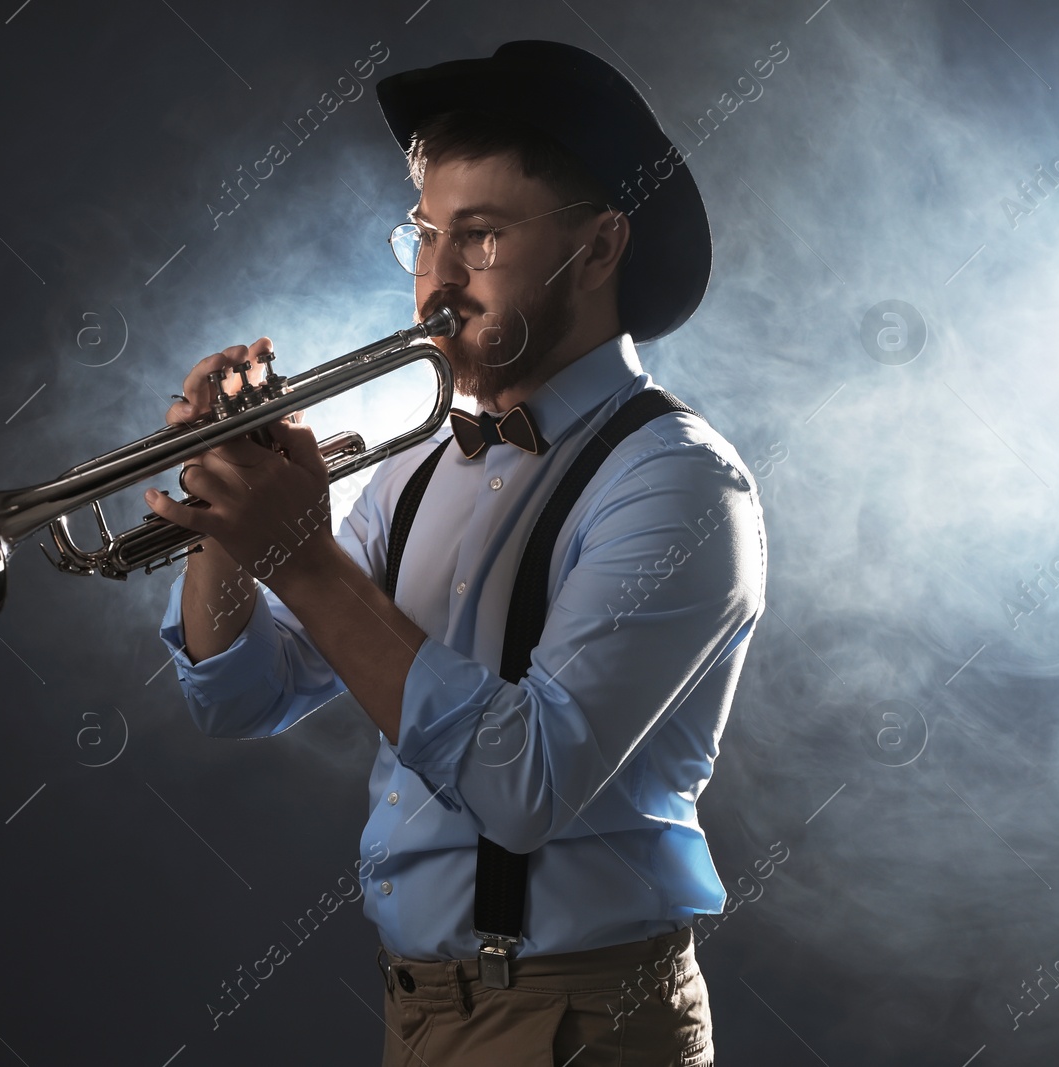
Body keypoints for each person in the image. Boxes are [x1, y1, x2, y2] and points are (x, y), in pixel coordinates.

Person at [143, 40, 766, 1066]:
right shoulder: (415, 469)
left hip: (581, 1021)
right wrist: (223, 511)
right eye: (425, 235)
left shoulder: (680, 483)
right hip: (420, 1009)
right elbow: (242, 694)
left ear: (601, 248)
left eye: (478, 239)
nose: (434, 282)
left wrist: (297, 555)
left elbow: (523, 785)